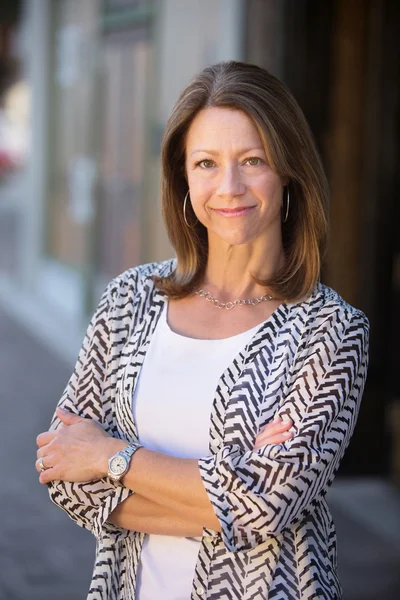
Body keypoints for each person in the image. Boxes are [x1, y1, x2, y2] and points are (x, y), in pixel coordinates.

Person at [36, 61, 369, 600]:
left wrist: (111, 457)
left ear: (287, 170)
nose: (229, 187)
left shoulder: (330, 331)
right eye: (207, 163)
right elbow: (62, 471)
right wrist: (231, 498)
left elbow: (271, 504)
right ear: (183, 177)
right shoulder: (130, 298)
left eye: (253, 160)